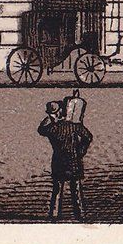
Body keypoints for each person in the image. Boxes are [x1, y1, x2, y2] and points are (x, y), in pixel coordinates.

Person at [38, 92, 93, 220]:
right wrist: (81, 150)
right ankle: (80, 215)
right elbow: (88, 137)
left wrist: (50, 119)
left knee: (57, 189)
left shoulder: (52, 129)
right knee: (76, 190)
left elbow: (41, 129)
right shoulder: (74, 126)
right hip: (74, 159)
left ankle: (55, 214)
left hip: (58, 161)